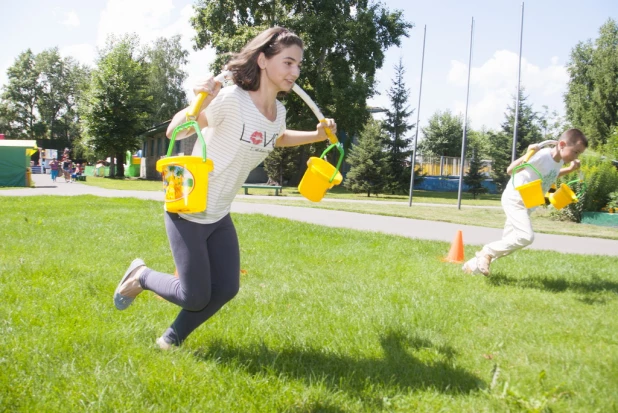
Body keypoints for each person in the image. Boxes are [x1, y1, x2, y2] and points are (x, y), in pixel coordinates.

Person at [113, 27, 337, 349]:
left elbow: (278, 136)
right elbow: (178, 128)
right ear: (263, 60)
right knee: (194, 295)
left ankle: (170, 340)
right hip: (188, 210)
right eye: (288, 63)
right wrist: (202, 100)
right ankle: (141, 276)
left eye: (298, 65)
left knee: (227, 287)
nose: (295, 72)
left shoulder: (279, 113)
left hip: (218, 215)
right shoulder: (232, 100)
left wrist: (317, 135)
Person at [462, 128, 588, 276]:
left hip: (528, 203)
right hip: (515, 198)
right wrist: (528, 154)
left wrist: (570, 169)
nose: (576, 157)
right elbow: (510, 170)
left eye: (579, 153)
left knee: (509, 243)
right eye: (575, 152)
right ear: (561, 144)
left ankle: (470, 268)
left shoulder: (559, 161)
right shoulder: (542, 155)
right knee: (526, 237)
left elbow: (551, 174)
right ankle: (487, 252)